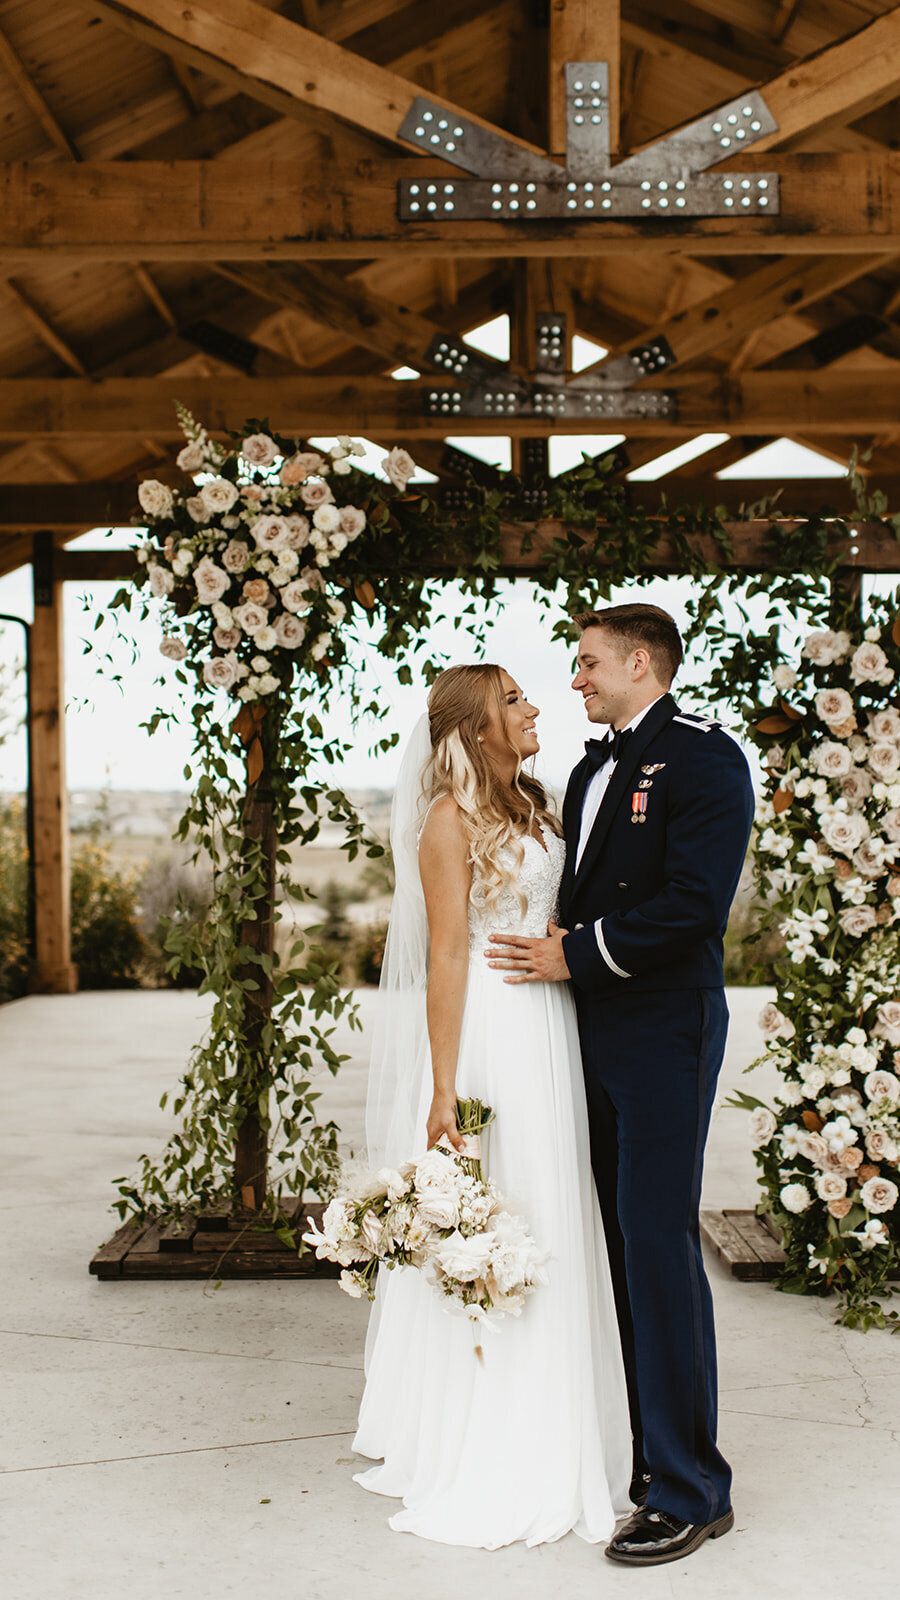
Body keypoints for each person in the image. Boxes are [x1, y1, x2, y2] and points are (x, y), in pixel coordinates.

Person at [486, 603, 755, 1567]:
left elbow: (693, 907)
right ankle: (646, 1456)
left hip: (662, 1030)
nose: (576, 680)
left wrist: (575, 957)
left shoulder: (705, 758)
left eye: (589, 662)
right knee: (609, 1244)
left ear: (641, 662)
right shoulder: (594, 767)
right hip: (583, 1032)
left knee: (656, 1244)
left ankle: (693, 1489)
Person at [353, 663, 633, 1549]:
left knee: (554, 1209)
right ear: (476, 726)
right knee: (500, 1209)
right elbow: (445, 957)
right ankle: (493, 1429)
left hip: (551, 1027)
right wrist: (443, 1088)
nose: (535, 705)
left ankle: (567, 1419)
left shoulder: (538, 803)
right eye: (513, 699)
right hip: (490, 1040)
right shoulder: (450, 819)